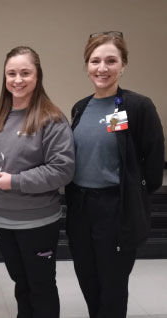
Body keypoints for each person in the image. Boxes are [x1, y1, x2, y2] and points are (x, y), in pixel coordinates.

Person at [66, 31, 164, 318]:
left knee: (113, 285)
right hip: (81, 208)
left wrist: (135, 194)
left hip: (116, 209)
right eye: (95, 61)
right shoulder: (80, 108)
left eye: (111, 60)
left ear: (123, 66)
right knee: (87, 277)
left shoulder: (136, 106)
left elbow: (153, 158)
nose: (102, 68)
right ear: (87, 66)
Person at [0, 46, 75, 318]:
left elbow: (62, 170)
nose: (17, 79)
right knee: (21, 283)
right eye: (11, 73)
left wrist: (15, 182)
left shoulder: (51, 119)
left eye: (25, 73)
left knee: (40, 287)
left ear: (38, 76)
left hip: (38, 222)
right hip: (3, 220)